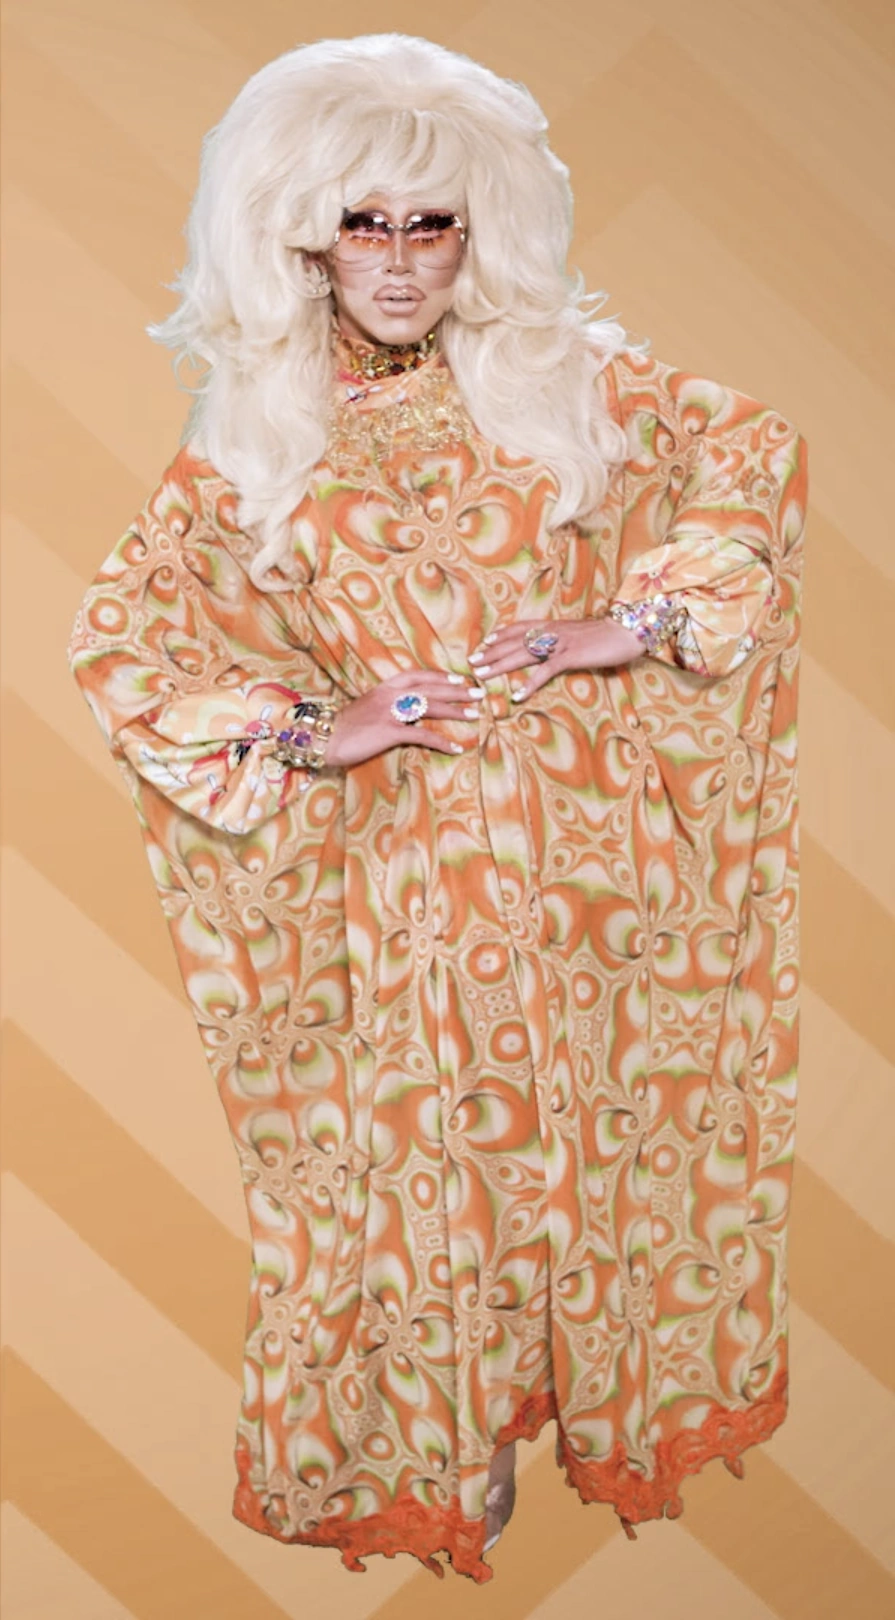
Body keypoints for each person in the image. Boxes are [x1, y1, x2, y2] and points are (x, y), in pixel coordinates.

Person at [67, 32, 808, 1586]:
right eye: (362, 223)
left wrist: (632, 623)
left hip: (603, 886)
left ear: (486, 227)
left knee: (605, 1160)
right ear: (298, 234)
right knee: (430, 1178)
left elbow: (751, 460)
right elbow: (129, 653)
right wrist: (316, 729)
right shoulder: (255, 446)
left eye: (432, 223)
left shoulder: (575, 388)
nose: (399, 261)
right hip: (407, 897)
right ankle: (440, 1447)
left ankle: (588, 1401)